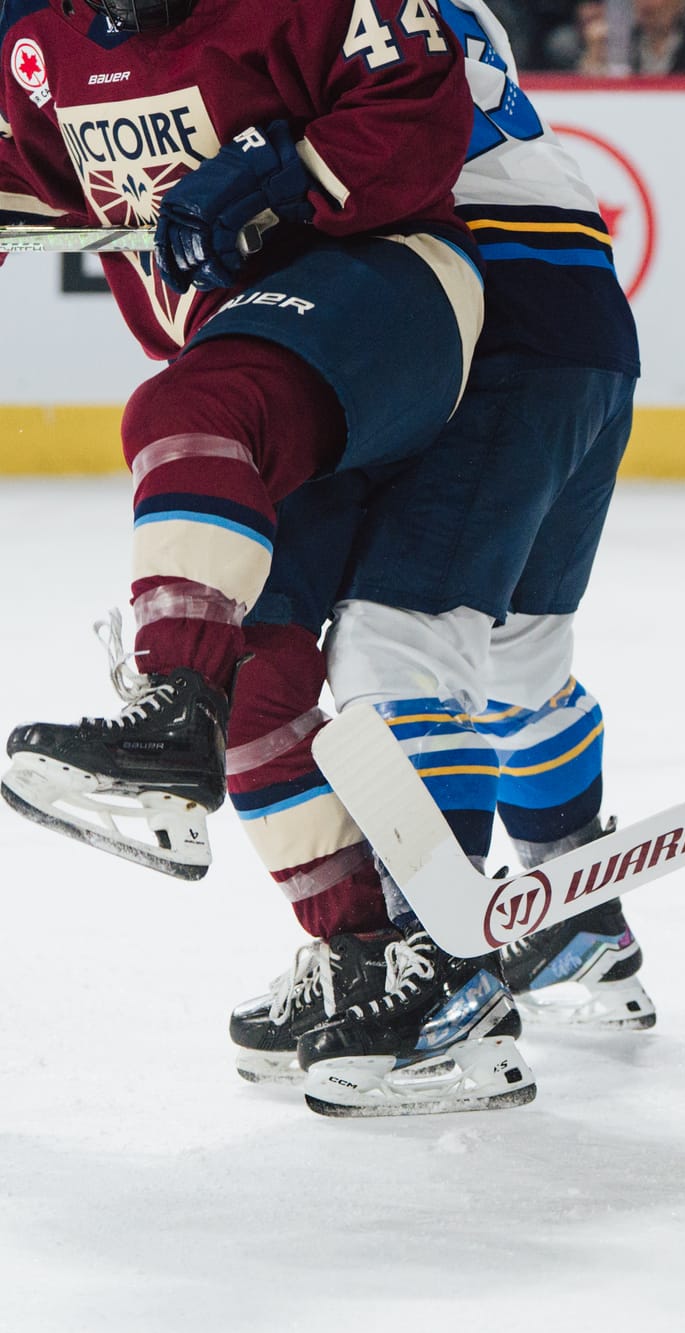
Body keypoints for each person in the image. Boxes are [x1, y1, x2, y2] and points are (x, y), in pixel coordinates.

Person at [221, 0, 655, 1117]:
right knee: (516, 649)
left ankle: (441, 978)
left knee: (401, 642)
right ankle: (574, 917)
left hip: (485, 307)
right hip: (585, 315)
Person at [0, 0, 481, 878]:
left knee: (189, 408)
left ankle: (176, 703)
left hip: (395, 286)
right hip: (255, 362)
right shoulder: (38, 40)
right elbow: (30, 174)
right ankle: (367, 941)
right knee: (253, 679)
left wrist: (284, 170)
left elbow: (419, 96)